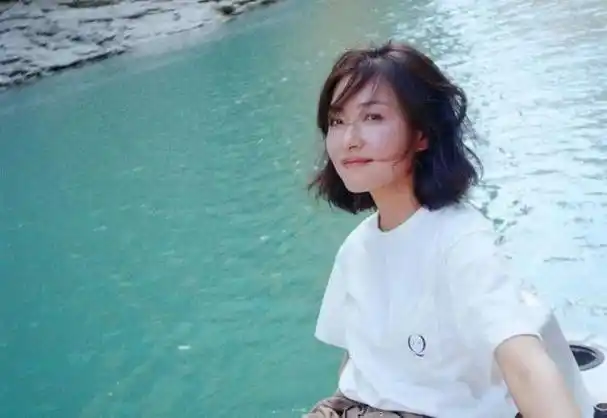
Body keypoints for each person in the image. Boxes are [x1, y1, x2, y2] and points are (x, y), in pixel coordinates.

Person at [304, 40, 592, 418]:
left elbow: (524, 363)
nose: (349, 139)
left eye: (373, 117)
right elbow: (357, 365)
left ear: (421, 134)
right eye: (337, 121)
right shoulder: (357, 247)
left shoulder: (460, 241)